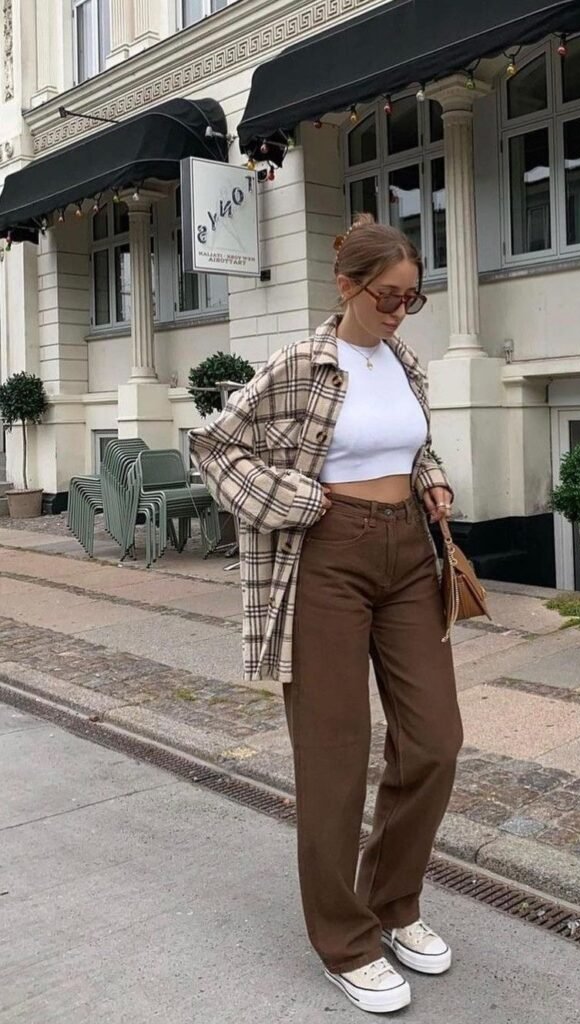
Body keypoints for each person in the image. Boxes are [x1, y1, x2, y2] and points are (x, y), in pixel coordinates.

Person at [190, 214, 463, 1015]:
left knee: (435, 741)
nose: (400, 312)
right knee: (335, 758)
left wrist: (433, 475)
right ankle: (344, 941)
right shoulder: (302, 364)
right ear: (346, 286)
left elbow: (412, 443)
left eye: (413, 299)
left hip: (411, 554)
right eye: (389, 296)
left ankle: (393, 901)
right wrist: (301, 499)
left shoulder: (403, 360)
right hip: (326, 562)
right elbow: (215, 447)